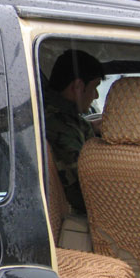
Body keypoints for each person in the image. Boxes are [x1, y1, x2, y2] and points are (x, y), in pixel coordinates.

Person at [43, 49, 104, 214]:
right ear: (77, 86)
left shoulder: (51, 114)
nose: (96, 95)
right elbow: (83, 195)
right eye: (95, 87)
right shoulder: (61, 126)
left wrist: (91, 128)